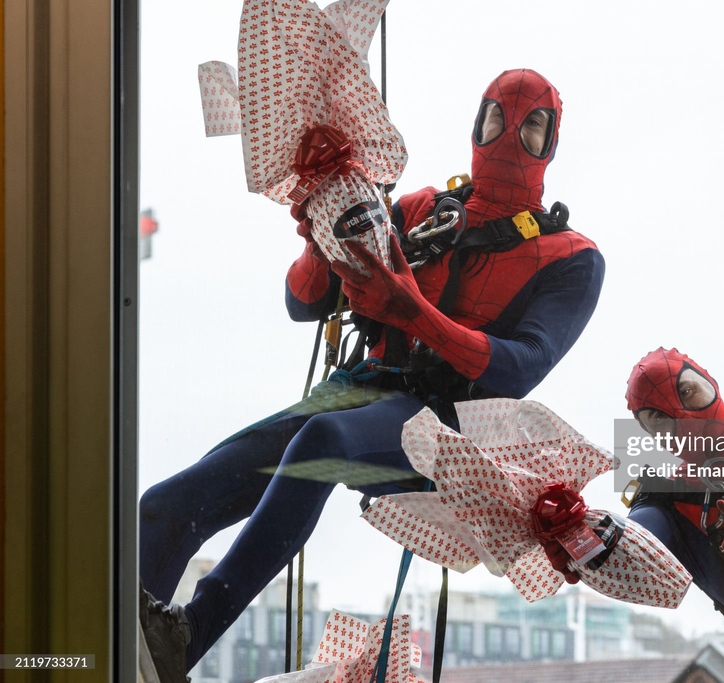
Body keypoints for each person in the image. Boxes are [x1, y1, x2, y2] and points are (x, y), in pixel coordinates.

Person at [138, 68, 604, 682]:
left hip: (445, 425)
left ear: (553, 145)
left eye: (533, 124)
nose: (510, 131)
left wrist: (416, 313)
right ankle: (132, 648)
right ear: (476, 122)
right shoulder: (416, 209)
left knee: (324, 443)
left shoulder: (572, 256)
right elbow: (306, 302)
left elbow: (522, 366)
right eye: (497, 113)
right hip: (357, 392)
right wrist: (318, 232)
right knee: (165, 505)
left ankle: (193, 627)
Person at [545, 347, 724, 682]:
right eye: (660, 418)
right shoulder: (670, 499)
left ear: (710, 380)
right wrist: (573, 535)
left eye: (688, 392)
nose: (684, 415)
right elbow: (628, 541)